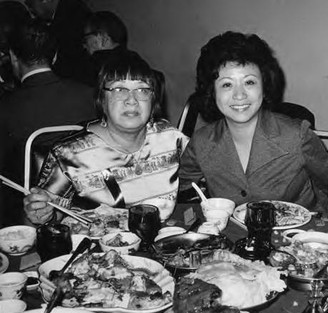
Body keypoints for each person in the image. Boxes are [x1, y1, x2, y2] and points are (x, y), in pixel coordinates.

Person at [23, 50, 188, 225]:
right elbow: (48, 218)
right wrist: (42, 213)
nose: (131, 100)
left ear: (153, 99)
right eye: (118, 89)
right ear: (102, 99)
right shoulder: (69, 154)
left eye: (142, 89)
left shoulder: (171, 138)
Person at [179, 31, 328, 211]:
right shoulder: (201, 143)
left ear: (264, 86)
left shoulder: (297, 136)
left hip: (295, 235)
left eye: (249, 82)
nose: (239, 95)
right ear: (212, 92)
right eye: (227, 84)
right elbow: (178, 188)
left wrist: (319, 226)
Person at [0, 19, 95, 226]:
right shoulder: (90, 95)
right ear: (54, 56)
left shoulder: (6, 108)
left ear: (14, 58)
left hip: (27, 212)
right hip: (87, 204)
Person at [82, 10, 169, 117]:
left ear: (102, 38)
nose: (84, 46)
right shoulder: (139, 64)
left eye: (86, 39)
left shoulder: (90, 68)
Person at [24, 0, 92, 84]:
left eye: (30, 4)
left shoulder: (73, 18)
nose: (31, 11)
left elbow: (68, 61)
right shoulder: (66, 12)